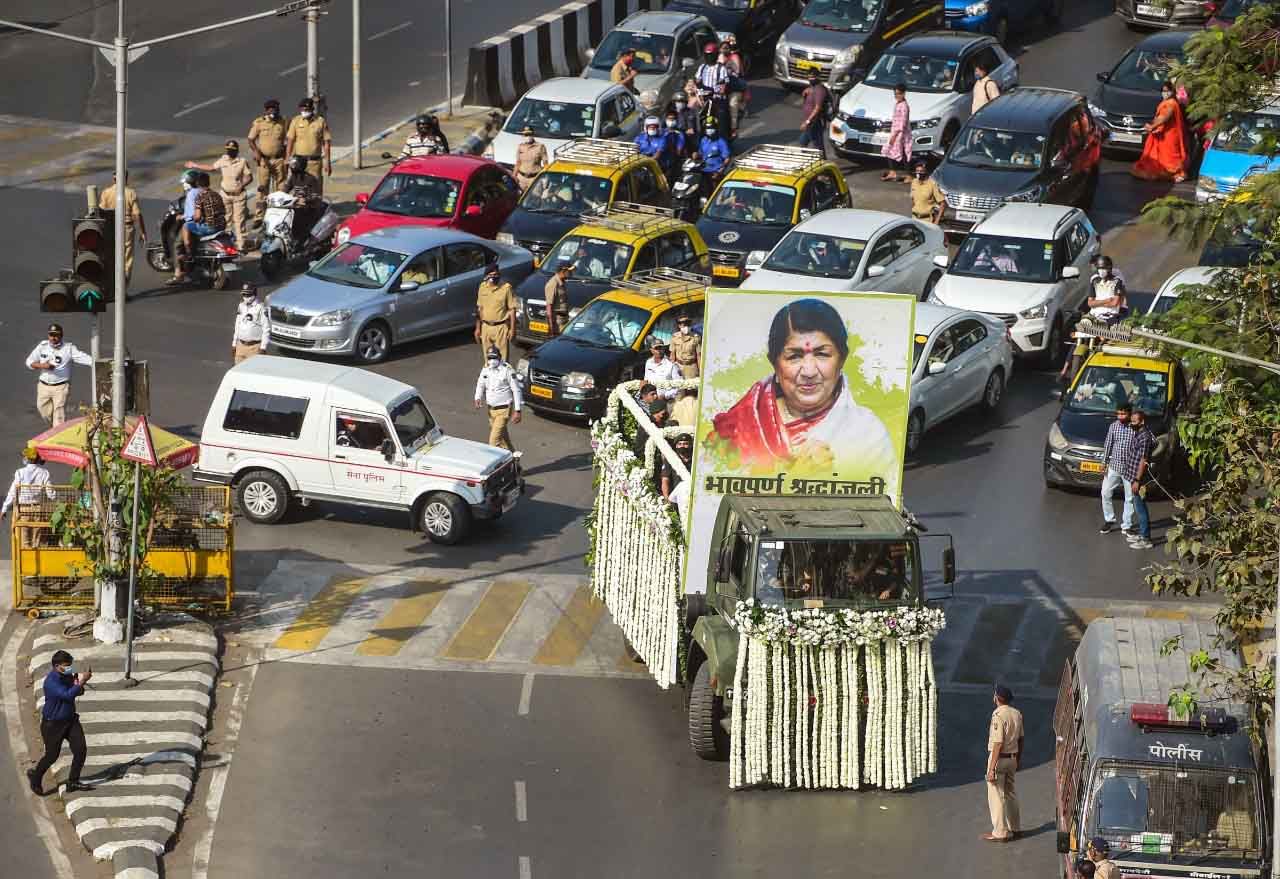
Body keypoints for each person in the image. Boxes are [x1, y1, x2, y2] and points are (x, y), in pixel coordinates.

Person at [708, 298, 898, 485]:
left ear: (842, 359)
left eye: (822, 354)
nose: (808, 371)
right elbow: (708, 499)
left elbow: (880, 508)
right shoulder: (735, 425)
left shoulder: (867, 433)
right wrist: (792, 482)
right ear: (774, 362)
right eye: (794, 356)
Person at [28, 650, 93, 796]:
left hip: (70, 720)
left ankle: (73, 782)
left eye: (70, 665)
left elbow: (77, 692)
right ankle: (36, 777)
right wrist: (82, 681)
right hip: (53, 724)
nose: (69, 668)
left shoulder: (67, 673)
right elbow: (67, 695)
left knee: (80, 749)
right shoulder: (51, 682)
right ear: (57, 666)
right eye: (66, 665)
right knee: (52, 756)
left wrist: (78, 684)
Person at [186, 139, 254, 251]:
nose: (230, 152)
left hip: (238, 196)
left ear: (237, 151)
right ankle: (227, 244)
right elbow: (211, 168)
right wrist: (195, 165)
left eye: (232, 150)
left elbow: (249, 177)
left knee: (239, 220)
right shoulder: (223, 160)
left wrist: (241, 185)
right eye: (228, 150)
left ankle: (241, 245)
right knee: (225, 219)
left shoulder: (242, 161)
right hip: (225, 195)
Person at [26, 323, 92, 426]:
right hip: (43, 386)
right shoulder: (42, 346)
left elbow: (84, 358)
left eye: (56, 335)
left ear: (61, 335)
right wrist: (42, 366)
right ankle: (54, 427)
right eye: (51, 335)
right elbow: (29, 362)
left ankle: (57, 430)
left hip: (61, 387)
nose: (53, 338)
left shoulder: (68, 348)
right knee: (42, 409)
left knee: (59, 414)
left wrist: (96, 362)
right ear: (48, 335)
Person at [169, 172, 226, 284]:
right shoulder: (216, 194)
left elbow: (193, 216)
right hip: (221, 225)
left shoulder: (195, 194)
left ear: (194, 182)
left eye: (185, 183)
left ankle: (181, 267)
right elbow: (223, 211)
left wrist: (182, 216)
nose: (184, 185)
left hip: (208, 227)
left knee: (177, 242)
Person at [984, 684, 1024, 843]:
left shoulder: (998, 716)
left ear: (998, 698)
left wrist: (991, 768)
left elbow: (998, 743)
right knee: (1010, 793)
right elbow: (1021, 739)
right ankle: (1015, 827)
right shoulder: (1017, 714)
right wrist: (1018, 759)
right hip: (1013, 758)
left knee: (996, 796)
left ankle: (1000, 832)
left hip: (999, 760)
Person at [1131, 81, 1188, 183]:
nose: (1165, 93)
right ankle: (1171, 174)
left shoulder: (1170, 104)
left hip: (1169, 137)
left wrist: (1152, 126)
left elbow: (1164, 117)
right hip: (1165, 135)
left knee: (1168, 158)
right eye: (1163, 91)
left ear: (1173, 92)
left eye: (1167, 91)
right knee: (1161, 157)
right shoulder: (1168, 102)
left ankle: (1172, 174)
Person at [97, 171, 146, 282]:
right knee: (126, 260)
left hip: (110, 228)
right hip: (126, 229)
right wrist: (143, 232)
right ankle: (123, 289)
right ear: (126, 179)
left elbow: (101, 211)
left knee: (110, 257)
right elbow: (137, 214)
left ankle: (111, 286)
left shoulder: (106, 192)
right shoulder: (130, 193)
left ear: (113, 179)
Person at [2, 447, 55, 548]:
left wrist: (4, 508)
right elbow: (51, 494)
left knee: (24, 541)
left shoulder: (20, 472)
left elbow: (13, 492)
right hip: (38, 509)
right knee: (37, 540)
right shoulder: (44, 472)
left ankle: (26, 562)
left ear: (27, 458)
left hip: (23, 509)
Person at [248, 98, 288, 227]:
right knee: (262, 188)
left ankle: (279, 212)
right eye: (271, 109)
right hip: (264, 160)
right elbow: (251, 139)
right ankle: (259, 216)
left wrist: (287, 154)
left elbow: (290, 138)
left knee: (280, 188)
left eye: (276, 109)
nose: (274, 111)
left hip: (279, 159)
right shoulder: (259, 123)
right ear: (266, 110)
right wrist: (256, 152)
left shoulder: (283, 122)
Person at [474, 346, 523, 451]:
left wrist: (518, 410)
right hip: (491, 411)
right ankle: (515, 462)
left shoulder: (507, 370)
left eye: (494, 357)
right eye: (490, 358)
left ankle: (496, 466)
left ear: (500, 357)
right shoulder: (486, 369)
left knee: (493, 442)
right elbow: (480, 384)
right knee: (504, 441)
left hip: (504, 410)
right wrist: (477, 397)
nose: (492, 360)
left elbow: (516, 390)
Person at [1100, 405, 1135, 535]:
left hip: (1130, 469)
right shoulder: (1113, 426)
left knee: (1129, 498)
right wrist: (1104, 463)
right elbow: (1108, 444)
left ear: (1129, 414)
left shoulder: (1136, 427)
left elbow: (1150, 442)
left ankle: (1127, 525)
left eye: (1123, 414)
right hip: (1114, 467)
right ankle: (1109, 519)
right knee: (1105, 492)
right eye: (1118, 414)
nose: (1120, 417)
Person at [285, 97, 332, 195]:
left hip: (314, 162)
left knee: (316, 189)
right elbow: (290, 140)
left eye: (306, 110)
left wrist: (327, 162)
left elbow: (326, 143)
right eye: (302, 110)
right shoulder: (296, 121)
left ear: (312, 109)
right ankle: (301, 208)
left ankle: (317, 209)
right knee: (299, 189)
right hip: (298, 162)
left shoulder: (320, 121)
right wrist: (288, 158)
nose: (304, 112)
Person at [1125, 409, 1156, 550]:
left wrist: (1137, 480)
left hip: (1139, 479)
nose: (1132, 423)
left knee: (1140, 507)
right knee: (1138, 506)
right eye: (1131, 421)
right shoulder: (1139, 432)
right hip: (1133, 476)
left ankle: (1146, 539)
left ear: (1142, 422)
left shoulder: (1145, 437)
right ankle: (1142, 534)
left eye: (1135, 421)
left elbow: (1143, 460)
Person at [474, 262, 517, 363]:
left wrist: (512, 329)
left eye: (496, 275)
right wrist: (477, 328)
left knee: (502, 361)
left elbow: (512, 310)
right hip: (486, 327)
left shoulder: (506, 288)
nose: (494, 277)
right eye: (492, 275)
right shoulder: (482, 287)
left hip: (501, 328)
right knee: (488, 361)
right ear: (487, 276)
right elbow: (480, 308)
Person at [282, 154, 324, 240]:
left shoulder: (310, 179)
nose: (292, 167)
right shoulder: (293, 178)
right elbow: (285, 190)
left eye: (294, 165)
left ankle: (301, 239)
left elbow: (317, 195)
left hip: (310, 208)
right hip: (297, 206)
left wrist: (306, 199)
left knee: (298, 220)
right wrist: (276, 196)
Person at [695, 43, 732, 137]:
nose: (709, 57)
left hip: (717, 99)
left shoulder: (721, 68)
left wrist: (711, 90)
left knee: (722, 116)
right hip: (703, 99)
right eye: (707, 55)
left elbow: (723, 87)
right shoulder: (702, 67)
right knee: (693, 116)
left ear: (716, 55)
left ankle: (724, 139)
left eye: (711, 55)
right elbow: (697, 81)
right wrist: (698, 90)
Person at [881, 83, 912, 182]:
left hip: (901, 134)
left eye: (899, 94)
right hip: (896, 132)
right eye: (895, 94)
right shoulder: (898, 104)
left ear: (903, 93)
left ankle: (908, 175)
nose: (897, 96)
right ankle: (893, 172)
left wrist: (894, 135)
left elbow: (902, 123)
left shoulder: (904, 106)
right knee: (891, 150)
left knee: (902, 152)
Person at [231, 284, 269, 365]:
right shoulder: (241, 306)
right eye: (244, 294)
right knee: (238, 372)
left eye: (248, 294)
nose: (246, 297)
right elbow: (237, 325)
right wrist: (234, 343)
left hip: (254, 348)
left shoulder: (260, 307)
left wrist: (263, 347)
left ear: (254, 294)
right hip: (240, 345)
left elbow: (266, 329)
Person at [1086, 256, 1128, 323]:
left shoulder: (1117, 280)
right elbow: (1090, 303)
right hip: (1095, 314)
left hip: (1110, 315)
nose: (1101, 271)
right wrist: (1107, 300)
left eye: (1103, 268)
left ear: (1109, 268)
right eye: (1099, 268)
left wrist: (1123, 307)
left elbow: (1114, 302)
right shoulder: (1094, 280)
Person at [799, 75, 832, 158]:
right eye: (809, 76)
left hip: (815, 121)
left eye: (813, 77)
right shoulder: (813, 88)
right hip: (811, 122)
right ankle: (805, 160)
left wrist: (807, 122)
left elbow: (817, 108)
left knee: (818, 145)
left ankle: (823, 163)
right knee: (803, 141)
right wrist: (806, 93)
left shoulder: (820, 90)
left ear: (818, 77)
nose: (810, 79)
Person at [909, 159, 945, 223]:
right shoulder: (914, 182)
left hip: (927, 220)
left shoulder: (932, 184)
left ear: (926, 171)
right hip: (914, 218)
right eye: (917, 171)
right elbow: (913, 200)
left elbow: (942, 204)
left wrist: (937, 221)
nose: (919, 173)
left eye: (921, 171)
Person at [513, 127, 549, 191]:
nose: (528, 136)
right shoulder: (520, 146)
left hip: (534, 178)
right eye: (526, 135)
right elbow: (518, 163)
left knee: (535, 197)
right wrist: (514, 176)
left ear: (533, 135)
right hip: (521, 178)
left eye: (529, 134)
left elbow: (545, 163)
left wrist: (546, 178)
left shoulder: (540, 146)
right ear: (523, 136)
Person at [661, 433, 694, 499]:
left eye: (685, 444)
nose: (682, 446)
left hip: (693, 496)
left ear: (691, 445)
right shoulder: (671, 459)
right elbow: (665, 480)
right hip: (677, 497)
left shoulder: (695, 458)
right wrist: (666, 498)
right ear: (676, 446)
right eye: (680, 444)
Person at [544, 262, 572, 335]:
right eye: (570, 271)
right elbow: (549, 307)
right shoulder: (553, 283)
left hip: (564, 319)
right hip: (557, 323)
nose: (571, 273)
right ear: (563, 271)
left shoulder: (562, 282)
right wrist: (551, 328)